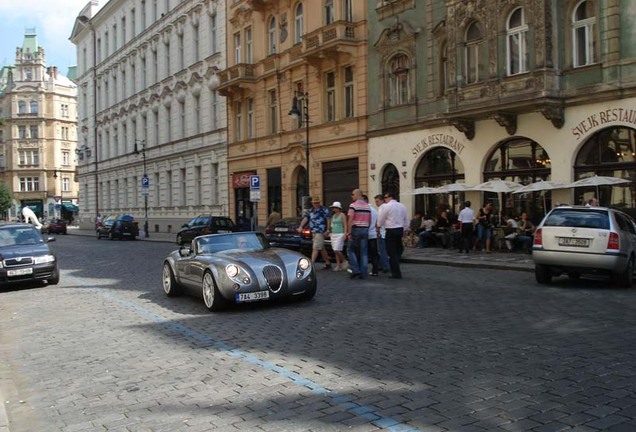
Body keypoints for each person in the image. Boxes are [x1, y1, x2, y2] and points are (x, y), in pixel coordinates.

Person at [376, 192, 409, 279]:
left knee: (391, 251)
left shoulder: (387, 206)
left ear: (390, 197)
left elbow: (381, 218)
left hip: (391, 230)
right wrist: (405, 229)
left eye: (386, 197)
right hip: (400, 229)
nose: (385, 199)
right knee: (398, 249)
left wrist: (378, 227)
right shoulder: (402, 206)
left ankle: (396, 272)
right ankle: (396, 263)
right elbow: (406, 219)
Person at [299, 196, 332, 269]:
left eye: (317, 203)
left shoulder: (324, 210)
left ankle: (311, 264)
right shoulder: (311, 210)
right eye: (314, 203)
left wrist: (328, 230)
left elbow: (328, 219)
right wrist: (301, 226)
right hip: (313, 232)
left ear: (319, 203)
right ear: (312, 203)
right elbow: (306, 218)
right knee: (321, 248)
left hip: (320, 231)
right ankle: (327, 263)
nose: (315, 204)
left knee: (315, 248)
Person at [345, 189, 371, 279]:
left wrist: (349, 232)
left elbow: (350, 219)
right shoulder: (367, 206)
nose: (352, 196)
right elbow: (369, 219)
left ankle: (355, 269)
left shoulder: (353, 205)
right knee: (364, 252)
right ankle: (363, 273)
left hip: (356, 229)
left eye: (353, 194)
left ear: (357, 195)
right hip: (365, 229)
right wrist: (367, 228)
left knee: (351, 250)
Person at [363, 195, 380, 276]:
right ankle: (375, 270)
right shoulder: (374, 210)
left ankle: (363, 270)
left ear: (365, 200)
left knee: (364, 253)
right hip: (373, 234)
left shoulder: (365, 210)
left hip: (365, 234)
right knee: (374, 253)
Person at [374, 194, 390, 272]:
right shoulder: (388, 207)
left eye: (377, 201)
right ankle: (380, 265)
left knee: (382, 250)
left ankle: (385, 266)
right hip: (387, 231)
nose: (376, 203)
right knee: (383, 250)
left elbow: (379, 221)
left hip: (382, 232)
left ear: (382, 200)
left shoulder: (381, 208)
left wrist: (377, 229)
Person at [329, 201, 347, 271]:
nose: (334, 209)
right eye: (333, 208)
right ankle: (338, 265)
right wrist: (329, 231)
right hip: (333, 234)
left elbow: (345, 224)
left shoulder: (342, 215)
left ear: (339, 208)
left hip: (340, 234)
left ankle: (344, 260)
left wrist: (345, 233)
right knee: (335, 250)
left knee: (336, 249)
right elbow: (331, 225)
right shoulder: (333, 216)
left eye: (335, 208)